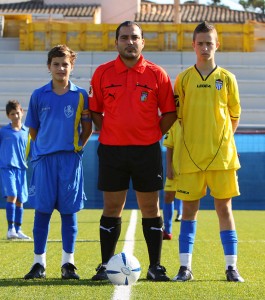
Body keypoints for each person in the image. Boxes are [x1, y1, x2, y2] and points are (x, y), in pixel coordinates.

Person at [89, 21, 176, 281]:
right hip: (112, 151)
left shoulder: (157, 74)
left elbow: (170, 112)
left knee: (151, 207)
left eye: (134, 37)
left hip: (146, 151)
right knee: (112, 206)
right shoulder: (103, 73)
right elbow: (95, 111)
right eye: (124, 37)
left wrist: (150, 134)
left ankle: (155, 267)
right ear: (116, 42)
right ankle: (105, 266)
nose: (130, 42)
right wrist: (114, 131)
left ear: (142, 42)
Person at [172, 21, 244, 282]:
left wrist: (219, 142)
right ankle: (184, 268)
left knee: (224, 210)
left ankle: (231, 267)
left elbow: (234, 117)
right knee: (188, 211)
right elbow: (179, 117)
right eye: (200, 43)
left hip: (222, 159)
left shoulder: (227, 79)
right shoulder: (183, 79)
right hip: (190, 158)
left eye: (209, 43)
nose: (205, 47)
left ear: (217, 45)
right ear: (193, 45)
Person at [23, 45, 92, 280]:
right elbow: (33, 129)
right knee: (41, 212)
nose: (61, 68)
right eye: (56, 64)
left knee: (68, 213)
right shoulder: (38, 95)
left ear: (72, 66)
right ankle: (38, 263)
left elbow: (87, 128)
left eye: (65, 64)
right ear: (49, 67)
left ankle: (68, 263)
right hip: (44, 161)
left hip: (70, 161)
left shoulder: (81, 95)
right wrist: (47, 146)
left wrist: (76, 148)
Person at [0, 100, 31, 240]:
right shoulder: (3, 132)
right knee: (12, 195)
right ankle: (10, 229)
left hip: (22, 170)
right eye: (12, 114)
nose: (16, 116)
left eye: (17, 113)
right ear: (8, 116)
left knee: (20, 199)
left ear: (22, 112)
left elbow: (31, 150)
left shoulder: (27, 132)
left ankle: (18, 230)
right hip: (7, 168)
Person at [162, 121, 183, 240]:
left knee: (189, 200)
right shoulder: (174, 123)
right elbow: (169, 146)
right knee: (168, 196)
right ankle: (167, 230)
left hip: (190, 171)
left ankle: (186, 234)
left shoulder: (195, 122)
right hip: (175, 170)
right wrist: (169, 168)